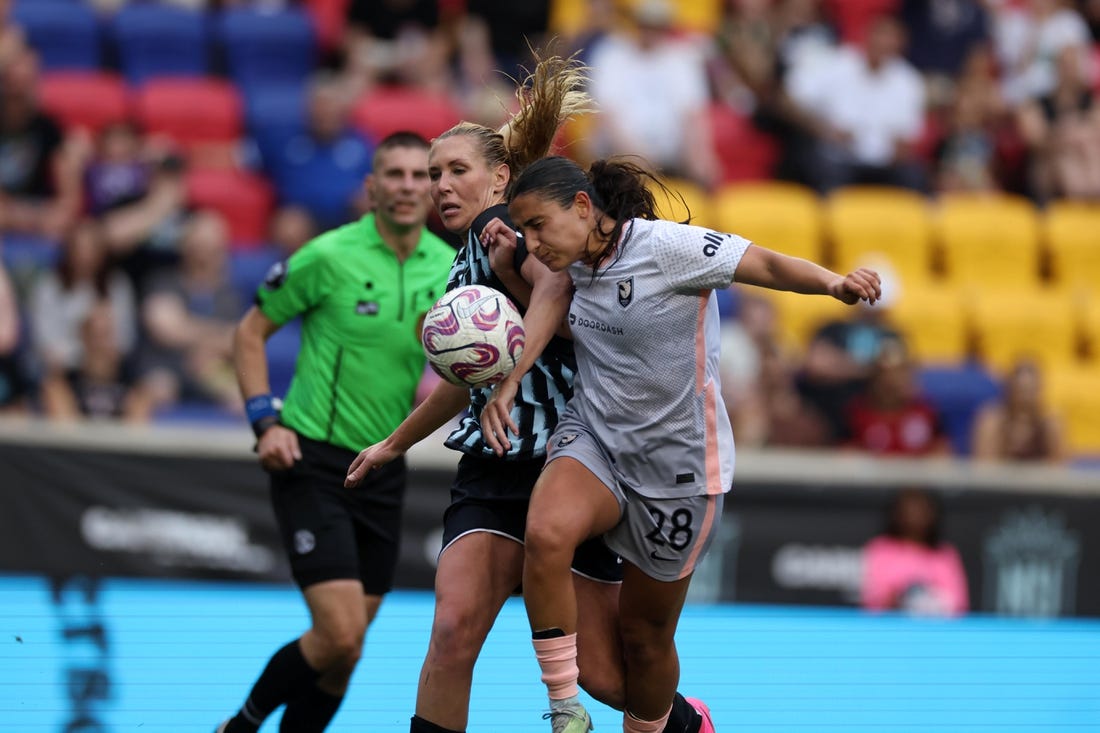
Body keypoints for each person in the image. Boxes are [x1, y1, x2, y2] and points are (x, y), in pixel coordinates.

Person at [345, 54, 710, 733]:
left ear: (501, 177)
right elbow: (467, 380)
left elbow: (569, 318)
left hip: (569, 470)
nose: (441, 186)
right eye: (434, 176)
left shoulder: (523, 236)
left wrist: (517, 274)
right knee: (452, 634)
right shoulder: (469, 256)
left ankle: (686, 724)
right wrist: (394, 443)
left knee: (609, 678)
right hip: (491, 469)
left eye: (458, 170)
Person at [474, 154, 881, 733]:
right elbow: (550, 305)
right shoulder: (568, 262)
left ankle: (666, 727)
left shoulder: (667, 248)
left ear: (584, 207)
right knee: (545, 533)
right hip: (596, 439)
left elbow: (759, 260)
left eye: (539, 225)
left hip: (679, 471)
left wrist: (832, 283)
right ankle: (564, 712)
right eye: (526, 230)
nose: (533, 242)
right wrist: (509, 381)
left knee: (644, 641)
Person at [216, 131, 456, 733]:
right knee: (340, 631)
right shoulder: (328, 256)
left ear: (432, 189)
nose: (406, 186)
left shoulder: (449, 268)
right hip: (312, 459)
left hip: (382, 466)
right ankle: (238, 727)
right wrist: (264, 421)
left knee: (345, 653)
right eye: (392, 175)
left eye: (417, 175)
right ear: (370, 187)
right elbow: (248, 333)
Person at [862, 487, 969, 616]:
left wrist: (930, 601)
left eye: (921, 511)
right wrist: (896, 599)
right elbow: (872, 600)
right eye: (909, 510)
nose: (915, 516)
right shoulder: (880, 548)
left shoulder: (945, 553)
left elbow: (959, 604)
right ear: (897, 514)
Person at [970, 359, 1064, 463]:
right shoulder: (992, 421)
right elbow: (984, 470)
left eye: (1031, 391)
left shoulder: (1049, 425)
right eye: (1021, 392)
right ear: (1010, 390)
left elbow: (1059, 471)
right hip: (1000, 477)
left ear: (1039, 391)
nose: (1025, 399)